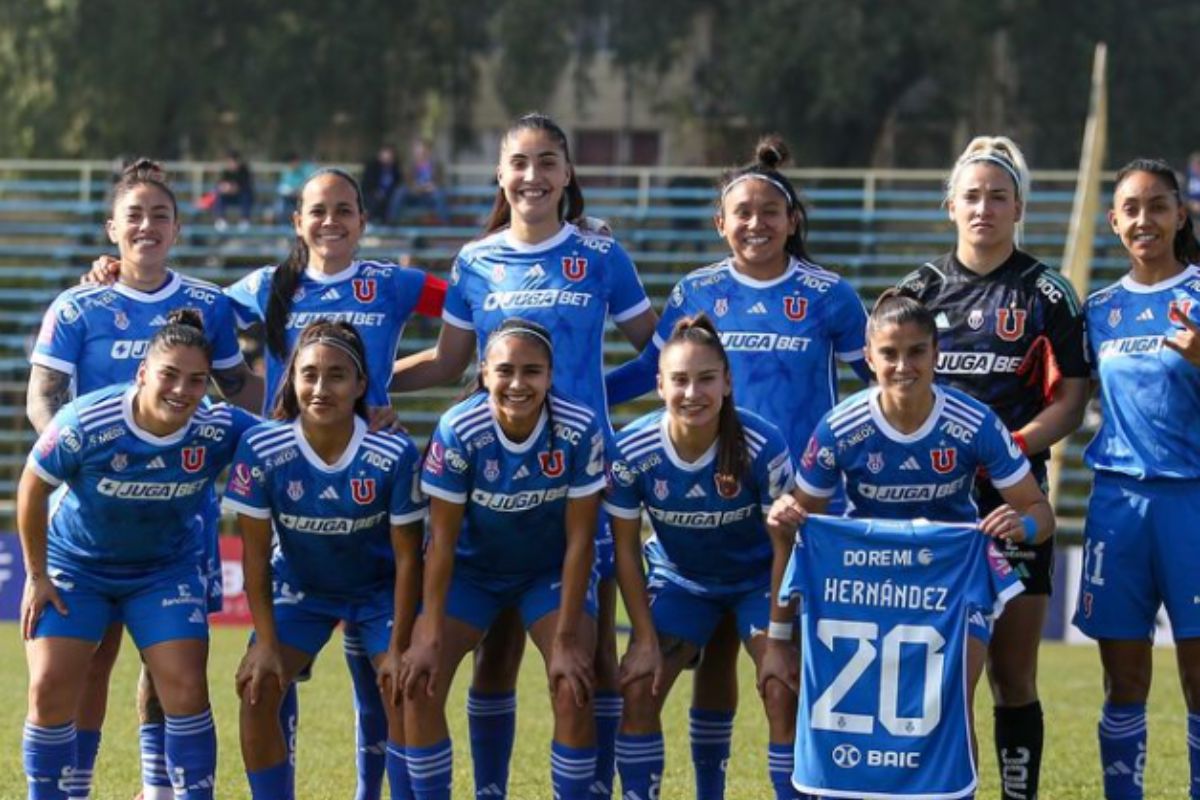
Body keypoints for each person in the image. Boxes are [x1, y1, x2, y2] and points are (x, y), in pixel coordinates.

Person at [86, 164, 446, 800]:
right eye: (317, 210)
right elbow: (183, 310)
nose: (331, 221)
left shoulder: (392, 283)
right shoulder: (263, 288)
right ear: (296, 222)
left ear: (363, 220)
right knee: (269, 673)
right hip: (294, 482)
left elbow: (472, 306)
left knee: (382, 681)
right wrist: (115, 271)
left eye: (344, 209)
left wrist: (392, 386)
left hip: (371, 473)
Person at [392, 112, 657, 799]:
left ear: (568, 174)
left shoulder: (601, 256)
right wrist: (364, 383)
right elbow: (452, 362)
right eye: (520, 163)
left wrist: (598, 395)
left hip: (577, 478)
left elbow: (658, 354)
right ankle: (489, 790)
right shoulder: (475, 261)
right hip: (492, 486)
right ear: (501, 174)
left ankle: (590, 789)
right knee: (494, 656)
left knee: (589, 657)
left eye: (548, 162)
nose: (532, 176)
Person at [605, 135, 870, 799]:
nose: (756, 224)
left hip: (794, 513)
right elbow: (650, 371)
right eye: (741, 214)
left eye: (769, 212)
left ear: (792, 221)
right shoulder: (697, 290)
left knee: (781, 677)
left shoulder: (829, 294)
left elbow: (877, 389)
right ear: (720, 223)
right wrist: (574, 396)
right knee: (702, 660)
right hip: (697, 516)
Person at [29, 160, 262, 800]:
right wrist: (83, 464)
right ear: (112, 228)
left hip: (178, 516)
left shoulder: (208, 306)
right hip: (90, 512)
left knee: (169, 663)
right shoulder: (79, 305)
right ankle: (74, 784)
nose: (147, 226)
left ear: (178, 227)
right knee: (90, 658)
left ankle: (160, 790)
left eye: (160, 214)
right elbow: (43, 402)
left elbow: (243, 394)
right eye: (134, 215)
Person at [764, 290, 1056, 797]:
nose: (904, 365)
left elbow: (1041, 513)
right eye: (890, 353)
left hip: (948, 583)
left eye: (917, 351)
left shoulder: (973, 422)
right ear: (870, 354)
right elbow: (798, 519)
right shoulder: (841, 427)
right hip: (862, 586)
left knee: (951, 709)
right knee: (851, 721)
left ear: (936, 352)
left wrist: (1021, 527)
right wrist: (783, 512)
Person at [895, 135, 1088, 800]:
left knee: (1013, 676)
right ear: (951, 205)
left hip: (1017, 505)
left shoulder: (1048, 294)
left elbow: (1072, 400)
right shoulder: (917, 292)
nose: (984, 207)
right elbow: (886, 393)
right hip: (931, 507)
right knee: (943, 680)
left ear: (1019, 208)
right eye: (972, 195)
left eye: (998, 196)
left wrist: (1007, 447)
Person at [399, 319, 607, 800]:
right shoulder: (459, 429)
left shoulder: (579, 428)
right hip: (471, 574)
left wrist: (568, 638)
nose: (518, 383)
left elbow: (581, 541)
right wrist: (428, 634)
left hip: (547, 574)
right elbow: (442, 543)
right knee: (420, 682)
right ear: (485, 372)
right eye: (506, 370)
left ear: (551, 376)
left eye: (532, 371)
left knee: (573, 681)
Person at [224, 320, 426, 800]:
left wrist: (399, 649)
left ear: (361, 385)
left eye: (337, 375)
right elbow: (254, 558)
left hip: (379, 591)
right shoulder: (263, 447)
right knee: (258, 688)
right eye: (309, 374)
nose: (320, 387)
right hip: (301, 591)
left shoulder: (391, 451)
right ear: (291, 379)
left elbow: (409, 559)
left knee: (406, 689)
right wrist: (267, 643)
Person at [605, 315, 800, 800]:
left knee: (781, 686)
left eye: (707, 378)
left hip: (757, 580)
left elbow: (784, 545)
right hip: (682, 582)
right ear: (659, 385)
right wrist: (644, 638)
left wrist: (777, 639)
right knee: (639, 686)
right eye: (680, 380)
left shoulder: (762, 444)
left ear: (728, 382)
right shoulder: (633, 449)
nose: (693, 392)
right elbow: (627, 551)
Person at [1073, 158, 1200, 800]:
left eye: (1158, 206)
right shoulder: (1099, 310)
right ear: (1113, 221)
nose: (1144, 219)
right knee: (1123, 678)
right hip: (1118, 506)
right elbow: (1068, 400)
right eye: (1131, 208)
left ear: (1182, 215)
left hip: (1193, 503)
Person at [389, 138, 450, 223]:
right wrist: (418, 188)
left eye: (423, 151)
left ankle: (445, 224)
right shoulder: (409, 165)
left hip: (430, 197)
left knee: (439, 194)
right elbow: (407, 182)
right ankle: (392, 221)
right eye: (418, 151)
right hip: (415, 196)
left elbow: (441, 181)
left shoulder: (437, 165)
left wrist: (434, 186)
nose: (420, 153)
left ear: (428, 151)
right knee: (400, 191)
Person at [214, 149, 255, 231]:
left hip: (242, 198)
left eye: (233, 161)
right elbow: (219, 184)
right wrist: (224, 188)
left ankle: (245, 220)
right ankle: (221, 220)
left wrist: (233, 188)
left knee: (246, 195)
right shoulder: (225, 172)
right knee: (219, 196)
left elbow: (245, 186)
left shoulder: (244, 170)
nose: (231, 164)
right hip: (229, 197)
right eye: (229, 161)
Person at [362, 146, 402, 224]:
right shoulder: (372, 167)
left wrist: (386, 193)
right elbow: (367, 184)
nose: (387, 158)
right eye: (385, 155)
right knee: (373, 200)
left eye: (390, 156)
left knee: (392, 201)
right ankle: (370, 220)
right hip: (372, 193)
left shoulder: (395, 169)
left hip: (389, 195)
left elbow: (397, 184)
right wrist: (376, 192)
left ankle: (389, 222)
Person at [273, 153, 316, 223]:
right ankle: (284, 227)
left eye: (293, 162)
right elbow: (282, 187)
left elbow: (312, 184)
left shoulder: (308, 169)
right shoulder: (286, 171)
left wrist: (300, 191)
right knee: (280, 208)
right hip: (290, 200)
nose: (291, 165)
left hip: (305, 198)